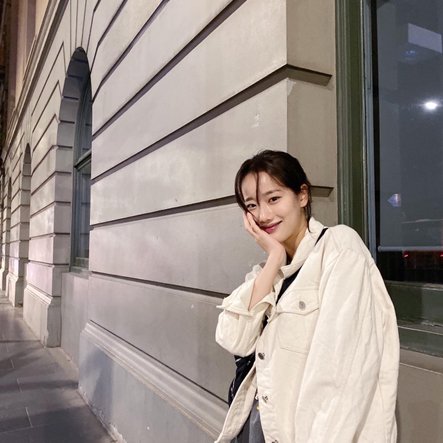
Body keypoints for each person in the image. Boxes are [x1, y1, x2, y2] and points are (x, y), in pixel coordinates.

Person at [215, 150, 399, 443]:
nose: (262, 215)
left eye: (273, 199)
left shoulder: (339, 248)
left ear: (302, 195)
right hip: (259, 428)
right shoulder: (268, 272)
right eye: (251, 205)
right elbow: (233, 338)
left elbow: (339, 377)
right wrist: (274, 258)